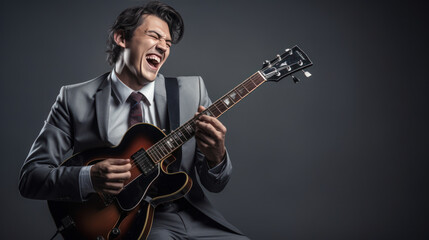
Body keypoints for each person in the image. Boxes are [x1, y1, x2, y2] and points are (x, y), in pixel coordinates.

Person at [19, 1, 248, 239]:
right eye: (154, 36)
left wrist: (216, 156)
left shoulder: (191, 91)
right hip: (127, 224)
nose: (163, 47)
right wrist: (89, 178)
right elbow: (31, 178)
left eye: (168, 43)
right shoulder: (74, 98)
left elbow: (215, 185)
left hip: (191, 215)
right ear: (122, 38)